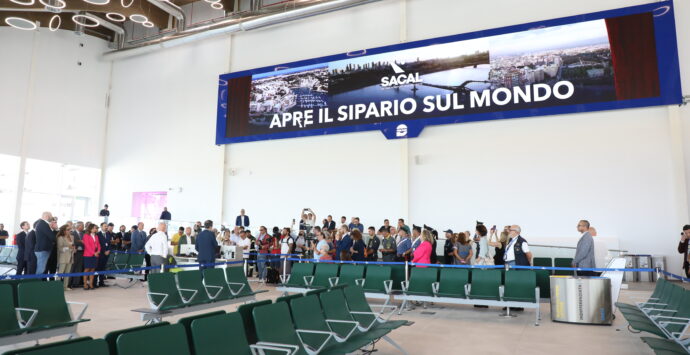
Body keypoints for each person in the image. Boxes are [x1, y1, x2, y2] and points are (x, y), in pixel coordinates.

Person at [82, 223, 101, 290]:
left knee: (93, 269)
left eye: (96, 228)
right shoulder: (86, 235)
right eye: (94, 228)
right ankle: (85, 284)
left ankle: (91, 284)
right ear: (90, 229)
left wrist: (98, 251)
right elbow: (87, 246)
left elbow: (98, 244)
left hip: (95, 255)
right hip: (88, 255)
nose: (95, 229)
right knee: (87, 269)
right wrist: (93, 253)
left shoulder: (96, 236)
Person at [56, 224, 75, 290]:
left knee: (67, 273)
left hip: (71, 257)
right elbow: (60, 248)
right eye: (68, 230)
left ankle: (65, 286)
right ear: (64, 231)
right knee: (60, 273)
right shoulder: (60, 238)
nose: (69, 231)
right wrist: (68, 248)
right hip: (63, 258)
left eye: (70, 229)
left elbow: (72, 246)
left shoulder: (72, 237)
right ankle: (57, 286)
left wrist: (73, 249)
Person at [70, 222, 85, 288]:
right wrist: (80, 242)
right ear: (78, 226)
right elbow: (73, 241)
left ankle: (76, 283)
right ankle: (69, 283)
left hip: (81, 252)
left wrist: (81, 242)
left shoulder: (83, 234)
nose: (83, 227)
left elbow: (85, 242)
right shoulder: (72, 233)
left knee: (79, 268)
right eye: (82, 226)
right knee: (72, 268)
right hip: (75, 252)